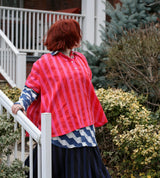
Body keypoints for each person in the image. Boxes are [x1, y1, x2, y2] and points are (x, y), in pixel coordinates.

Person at [12, 19, 111, 178]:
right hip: (59, 126)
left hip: (84, 125)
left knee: (87, 170)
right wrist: (21, 103)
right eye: (76, 33)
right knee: (47, 169)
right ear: (69, 36)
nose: (79, 37)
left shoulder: (81, 59)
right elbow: (31, 87)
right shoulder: (45, 62)